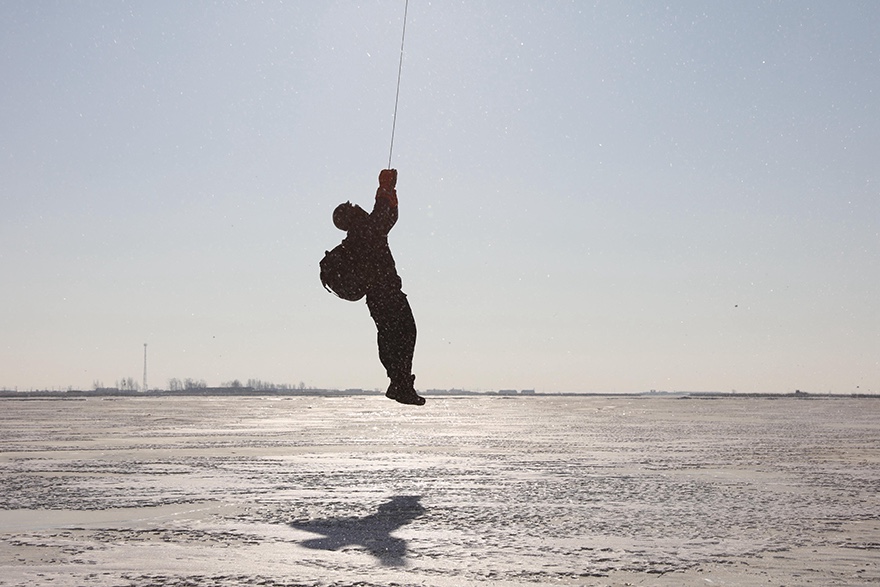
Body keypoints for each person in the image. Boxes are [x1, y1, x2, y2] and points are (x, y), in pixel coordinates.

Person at [331, 169, 425, 406]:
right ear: (352, 217)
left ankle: (398, 383)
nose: (358, 208)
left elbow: (386, 218)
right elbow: (384, 218)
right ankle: (400, 384)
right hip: (385, 294)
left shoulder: (361, 234)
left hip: (379, 296)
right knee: (403, 333)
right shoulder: (365, 232)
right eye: (353, 208)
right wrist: (385, 189)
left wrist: (388, 192)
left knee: (393, 336)